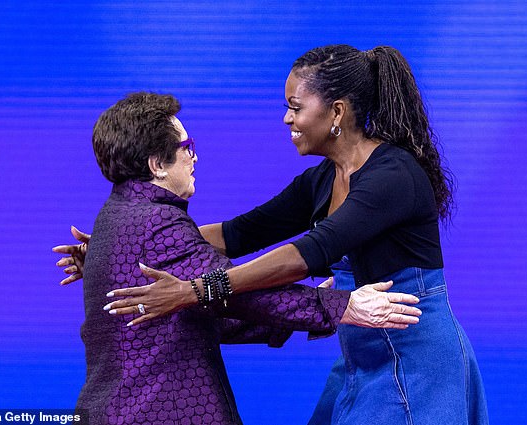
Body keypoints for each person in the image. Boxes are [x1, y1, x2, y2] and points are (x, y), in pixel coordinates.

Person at [97, 45, 489, 424]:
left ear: (337, 111)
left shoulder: (392, 176)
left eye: (295, 108)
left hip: (414, 358)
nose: (287, 118)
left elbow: (307, 255)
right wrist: (124, 247)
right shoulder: (324, 178)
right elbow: (238, 233)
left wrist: (197, 289)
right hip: (363, 356)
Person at [55, 91, 423, 425]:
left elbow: (199, 313)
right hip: (157, 410)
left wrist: (309, 313)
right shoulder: (157, 221)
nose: (194, 156)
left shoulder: (114, 218)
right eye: (187, 146)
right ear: (157, 165)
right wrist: (341, 305)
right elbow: (235, 291)